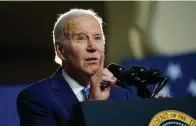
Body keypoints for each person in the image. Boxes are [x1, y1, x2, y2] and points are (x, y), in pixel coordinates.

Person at [17, 8, 132, 126]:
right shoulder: (37, 98)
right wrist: (94, 107)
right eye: (80, 38)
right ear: (61, 50)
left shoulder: (121, 95)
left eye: (97, 38)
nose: (92, 47)